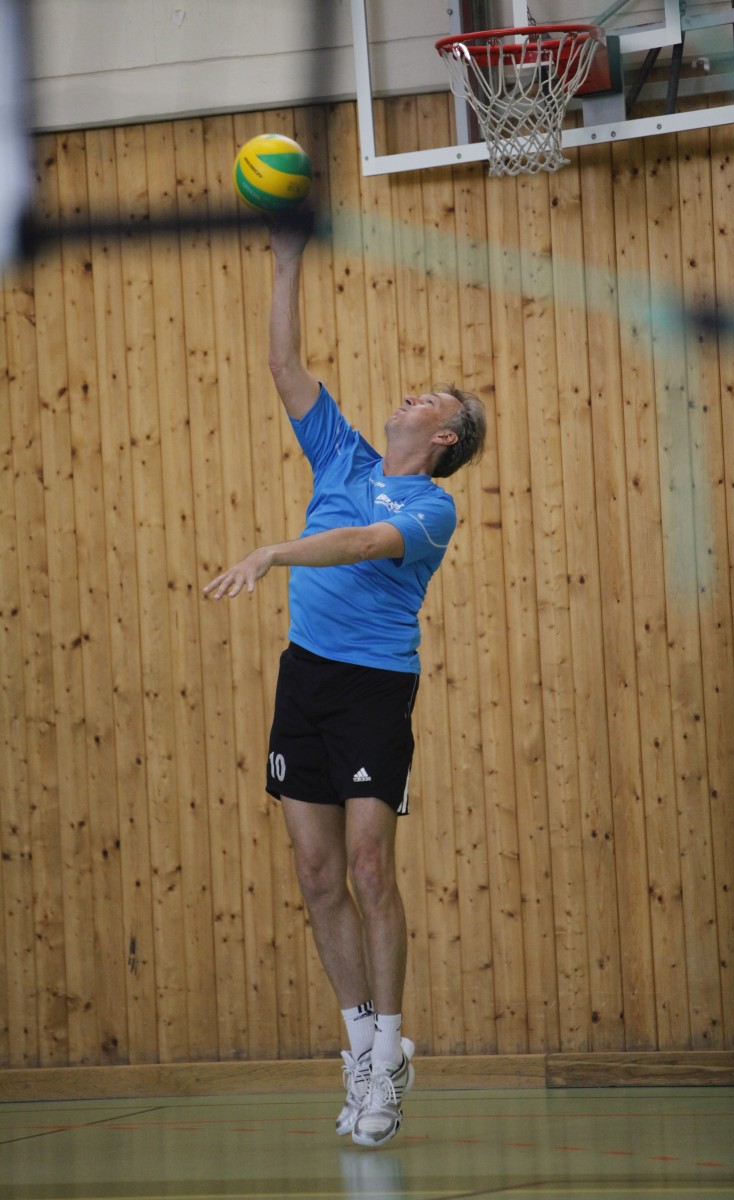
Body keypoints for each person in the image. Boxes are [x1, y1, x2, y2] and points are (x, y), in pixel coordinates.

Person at [204, 213, 486, 1148]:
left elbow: (363, 543)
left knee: (369, 866)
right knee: (317, 872)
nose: (411, 394)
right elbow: (284, 366)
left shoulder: (431, 506)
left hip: (373, 687)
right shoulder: (343, 453)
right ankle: (363, 1050)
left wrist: (275, 551)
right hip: (306, 681)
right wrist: (286, 260)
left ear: (442, 435)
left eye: (430, 398)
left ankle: (393, 1050)